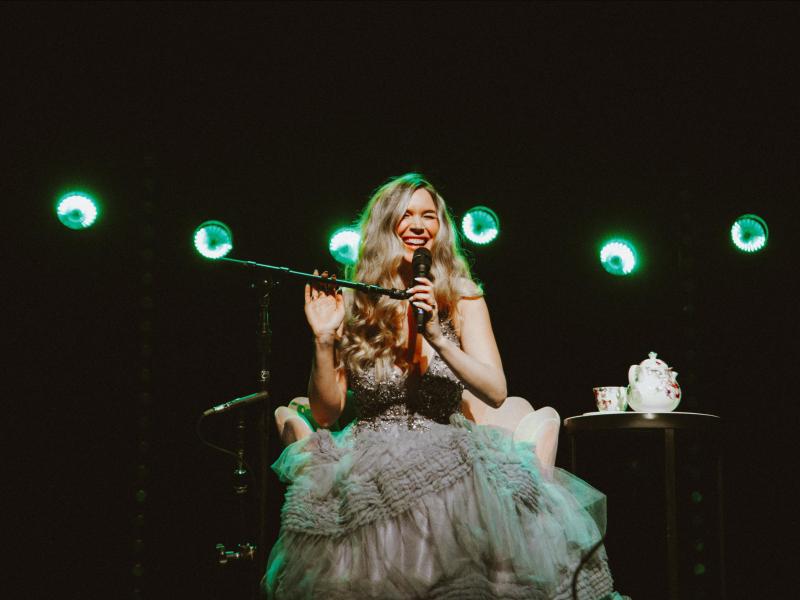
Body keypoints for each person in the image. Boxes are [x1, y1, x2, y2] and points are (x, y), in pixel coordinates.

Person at [263, 173, 625, 599]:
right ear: (385, 224)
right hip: (367, 461)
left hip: (450, 452)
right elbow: (326, 413)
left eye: (428, 216)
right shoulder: (355, 297)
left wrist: (436, 334)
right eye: (407, 215)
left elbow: (494, 390)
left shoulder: (461, 295)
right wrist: (323, 339)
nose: (419, 225)